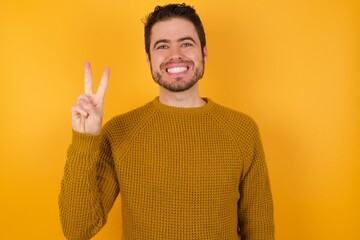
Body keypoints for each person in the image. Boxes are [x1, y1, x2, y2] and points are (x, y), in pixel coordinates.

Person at [59, 3, 275, 240]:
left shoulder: (242, 130)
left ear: (204, 53)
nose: (175, 55)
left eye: (186, 43)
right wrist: (84, 139)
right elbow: (77, 230)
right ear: (149, 59)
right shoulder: (119, 131)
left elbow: (259, 229)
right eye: (162, 46)